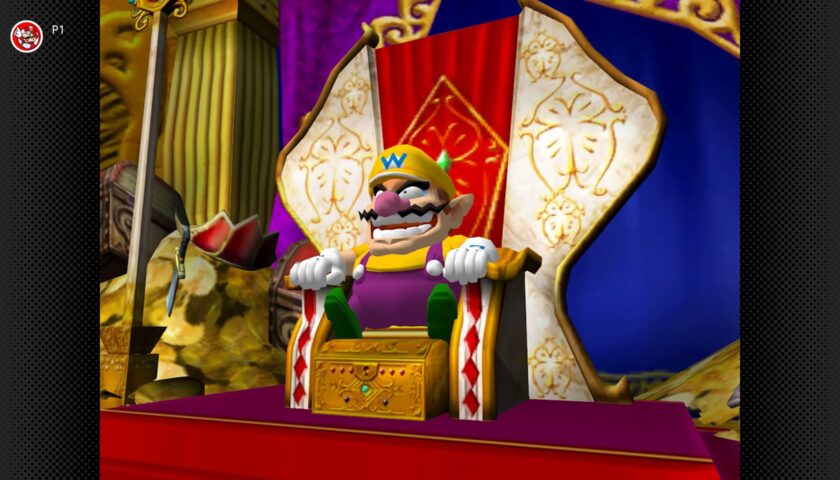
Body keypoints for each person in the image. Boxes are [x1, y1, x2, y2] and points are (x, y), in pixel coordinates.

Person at [290, 144, 498, 341]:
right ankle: (348, 327)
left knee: (441, 306)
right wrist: (323, 263)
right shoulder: (367, 253)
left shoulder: (447, 247)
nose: (384, 205)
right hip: (362, 346)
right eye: (379, 193)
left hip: (433, 346)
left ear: (454, 212)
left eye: (410, 191)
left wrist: (478, 250)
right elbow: (338, 260)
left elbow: (485, 251)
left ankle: (442, 327)